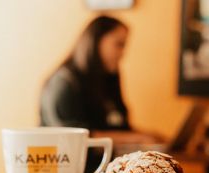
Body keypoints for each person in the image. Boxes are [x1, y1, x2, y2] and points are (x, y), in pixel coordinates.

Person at [40, 15, 164, 145]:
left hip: (109, 161)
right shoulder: (65, 82)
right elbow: (71, 138)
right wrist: (137, 138)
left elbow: (119, 127)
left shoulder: (109, 78)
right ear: (96, 41)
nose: (123, 53)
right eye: (119, 44)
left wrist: (145, 135)